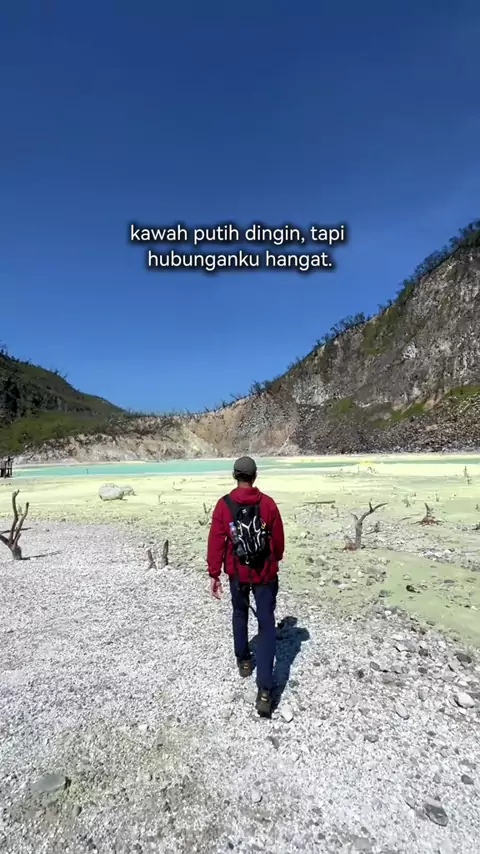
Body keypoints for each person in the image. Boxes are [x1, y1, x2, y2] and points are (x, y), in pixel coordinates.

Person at [207, 455, 285, 717]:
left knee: (240, 613)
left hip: (237, 573)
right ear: (255, 476)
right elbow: (278, 541)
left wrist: (214, 573)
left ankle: (243, 660)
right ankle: (265, 691)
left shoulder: (223, 505)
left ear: (234, 476)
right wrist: (275, 560)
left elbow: (216, 541)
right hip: (264, 573)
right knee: (266, 624)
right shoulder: (268, 504)